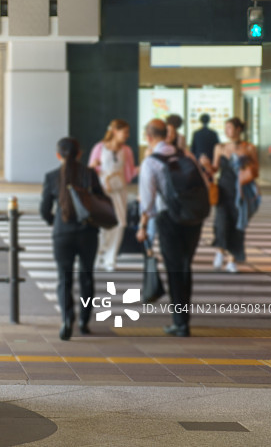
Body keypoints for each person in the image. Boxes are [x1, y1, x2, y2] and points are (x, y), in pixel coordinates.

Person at [136, 119, 204, 337]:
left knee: (175, 270)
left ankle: (180, 323)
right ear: (166, 134)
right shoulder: (186, 156)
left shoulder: (151, 162)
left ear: (148, 137)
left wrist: (143, 225)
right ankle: (183, 320)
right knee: (185, 267)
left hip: (170, 219)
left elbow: (147, 202)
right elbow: (204, 183)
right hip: (193, 217)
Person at [40, 137, 110, 341]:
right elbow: (101, 201)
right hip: (88, 233)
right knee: (86, 276)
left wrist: (56, 222)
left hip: (62, 234)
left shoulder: (52, 176)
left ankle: (66, 318)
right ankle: (84, 322)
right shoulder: (89, 174)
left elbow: (44, 210)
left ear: (58, 155)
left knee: (64, 278)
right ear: (80, 154)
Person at [200, 117, 259, 273]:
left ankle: (232, 260)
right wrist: (206, 165)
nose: (227, 131)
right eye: (225, 128)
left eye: (230, 127)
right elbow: (214, 169)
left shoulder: (249, 148)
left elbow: (256, 171)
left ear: (239, 129)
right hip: (223, 189)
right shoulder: (219, 147)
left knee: (238, 225)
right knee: (221, 222)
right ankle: (220, 250)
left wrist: (246, 168)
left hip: (240, 192)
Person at [88, 119, 138, 271]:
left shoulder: (127, 151)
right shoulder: (99, 147)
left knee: (119, 223)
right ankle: (98, 256)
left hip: (119, 191)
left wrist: (142, 167)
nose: (127, 135)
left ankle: (111, 259)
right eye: (125, 132)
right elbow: (90, 170)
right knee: (101, 224)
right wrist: (93, 166)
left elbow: (129, 174)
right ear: (115, 131)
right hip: (102, 191)